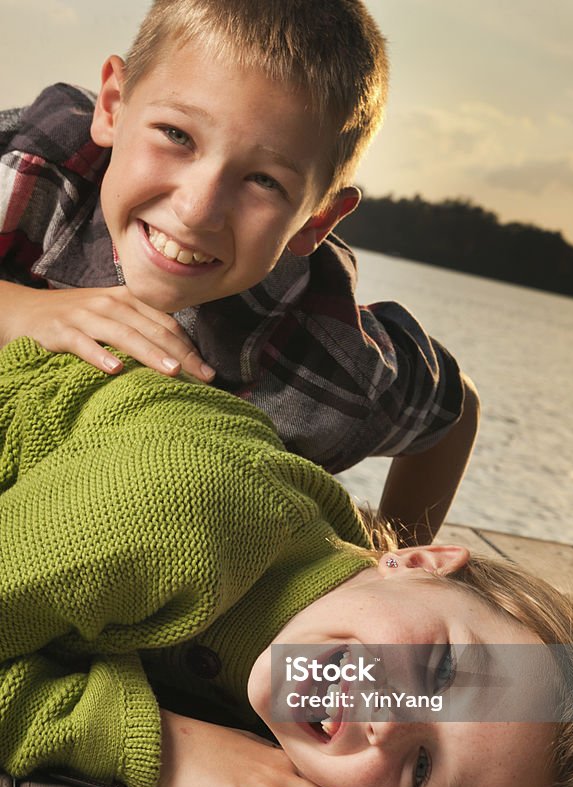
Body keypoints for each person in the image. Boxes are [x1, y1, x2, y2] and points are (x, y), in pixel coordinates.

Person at [0, 337, 573, 787]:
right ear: (418, 562)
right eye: (442, 666)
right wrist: (167, 748)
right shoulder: (188, 510)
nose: (389, 723)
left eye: (421, 767)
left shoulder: (306, 650)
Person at [0, 0, 480, 546]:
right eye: (177, 135)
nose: (198, 210)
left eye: (264, 181)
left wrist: (398, 557)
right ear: (112, 107)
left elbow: (452, 414)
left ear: (315, 221)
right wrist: (19, 309)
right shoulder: (34, 171)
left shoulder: (314, 359)